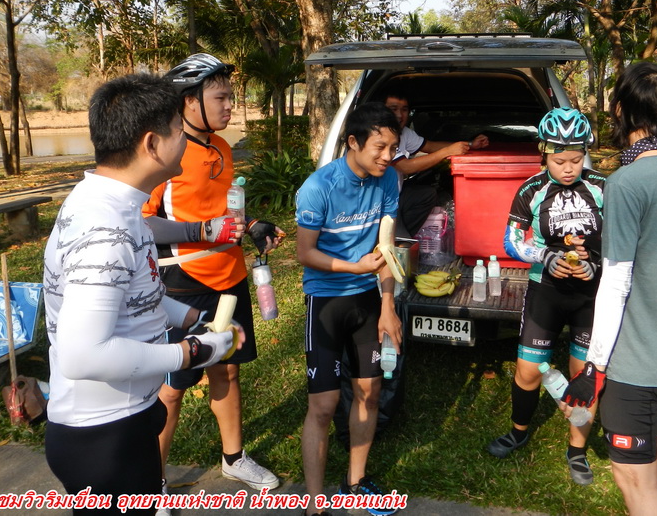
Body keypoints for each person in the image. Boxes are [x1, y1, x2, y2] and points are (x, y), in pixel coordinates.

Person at [44, 73, 239, 515]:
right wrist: (190, 353)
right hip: (104, 437)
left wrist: (193, 320)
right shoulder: (104, 227)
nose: (186, 141)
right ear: (152, 144)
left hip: (128, 417)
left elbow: (135, 293)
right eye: (178, 130)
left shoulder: (119, 206)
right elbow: (83, 355)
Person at [561, 62, 657, 516]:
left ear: (621, 110)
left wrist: (593, 367)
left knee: (633, 477)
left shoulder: (625, 183)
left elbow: (616, 283)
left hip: (632, 362)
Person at [141, 54, 283, 509]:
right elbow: (140, 223)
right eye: (220, 97)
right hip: (184, 281)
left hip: (231, 276)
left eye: (230, 97)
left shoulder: (221, 146)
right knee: (173, 386)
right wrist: (202, 231)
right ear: (189, 101)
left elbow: (225, 210)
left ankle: (234, 458)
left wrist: (253, 225)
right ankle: (152, 484)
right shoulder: (164, 150)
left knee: (227, 368)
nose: (230, 106)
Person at [295, 102, 403, 516]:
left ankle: (355, 482)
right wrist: (353, 266)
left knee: (369, 393)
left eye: (392, 147)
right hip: (325, 300)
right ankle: (314, 503)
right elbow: (305, 253)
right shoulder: (318, 187)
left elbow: (386, 246)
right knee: (323, 406)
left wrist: (388, 305)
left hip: (367, 299)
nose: (387, 157)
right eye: (380, 147)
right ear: (354, 142)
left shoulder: (387, 179)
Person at [487, 108, 605, 486]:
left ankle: (577, 451)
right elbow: (510, 241)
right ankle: (519, 432)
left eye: (576, 159)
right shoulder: (531, 190)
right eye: (559, 161)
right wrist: (545, 256)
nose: (568, 168)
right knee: (528, 371)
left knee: (584, 374)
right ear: (544, 152)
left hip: (590, 295)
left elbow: (622, 242)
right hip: (546, 291)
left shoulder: (603, 187)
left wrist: (596, 266)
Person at [383, 89, 489, 236]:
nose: (400, 115)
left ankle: (406, 235)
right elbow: (406, 167)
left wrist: (470, 144)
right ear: (382, 110)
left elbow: (429, 146)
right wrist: (447, 152)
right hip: (382, 202)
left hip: (397, 195)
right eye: (393, 109)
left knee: (427, 195)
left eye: (404, 110)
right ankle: (401, 238)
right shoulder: (379, 135)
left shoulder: (404, 132)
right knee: (396, 242)